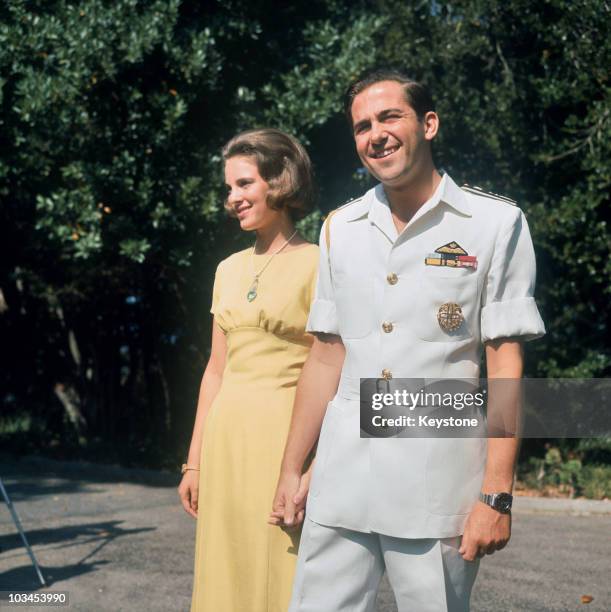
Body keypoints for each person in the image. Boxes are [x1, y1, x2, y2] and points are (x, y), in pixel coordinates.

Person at [271, 69, 546, 611]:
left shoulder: (495, 223)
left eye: (389, 117)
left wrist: (496, 494)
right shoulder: (339, 228)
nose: (376, 134)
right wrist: (292, 468)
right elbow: (327, 356)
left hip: (438, 484)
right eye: (361, 126)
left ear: (429, 123)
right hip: (342, 479)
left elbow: (504, 365)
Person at [178, 128, 319, 612]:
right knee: (224, 571)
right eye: (229, 188)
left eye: (243, 184)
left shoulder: (320, 263)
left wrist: (307, 467)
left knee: (280, 570)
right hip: (225, 441)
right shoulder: (227, 269)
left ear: (279, 180)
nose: (231, 199)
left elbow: (331, 371)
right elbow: (216, 371)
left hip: (282, 440)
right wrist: (194, 460)